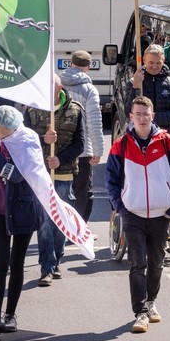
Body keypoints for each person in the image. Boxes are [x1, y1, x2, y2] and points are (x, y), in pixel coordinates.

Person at [105, 95, 170, 333]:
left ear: (152, 116)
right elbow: (111, 180)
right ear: (131, 117)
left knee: (156, 262)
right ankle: (141, 313)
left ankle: (151, 301)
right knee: (138, 263)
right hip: (132, 214)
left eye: (146, 114)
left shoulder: (168, 143)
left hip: (161, 214)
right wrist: (121, 208)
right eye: (138, 114)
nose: (142, 118)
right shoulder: (121, 145)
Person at [0, 106, 44, 335]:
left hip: (23, 209)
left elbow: (17, 175)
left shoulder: (27, 141)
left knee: (17, 263)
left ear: (11, 127)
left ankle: (10, 315)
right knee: (1, 263)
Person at [24, 76, 84, 286]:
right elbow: (23, 139)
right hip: (40, 174)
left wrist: (60, 159)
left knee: (60, 220)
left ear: (59, 88)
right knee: (45, 223)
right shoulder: (32, 108)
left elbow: (80, 144)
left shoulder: (75, 109)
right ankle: (46, 267)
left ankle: (57, 259)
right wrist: (43, 140)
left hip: (64, 173)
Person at [60, 50, 104, 222]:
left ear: (71, 63)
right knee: (82, 191)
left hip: (58, 147)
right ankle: (79, 228)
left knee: (60, 188)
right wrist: (98, 150)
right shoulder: (89, 89)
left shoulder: (56, 84)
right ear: (88, 68)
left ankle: (60, 227)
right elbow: (94, 122)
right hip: (83, 149)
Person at [130, 44, 170, 132]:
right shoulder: (134, 82)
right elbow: (128, 111)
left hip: (164, 137)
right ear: (144, 60)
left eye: (158, 63)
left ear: (163, 61)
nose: (154, 67)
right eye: (151, 62)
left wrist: (149, 117)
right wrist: (135, 86)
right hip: (139, 136)